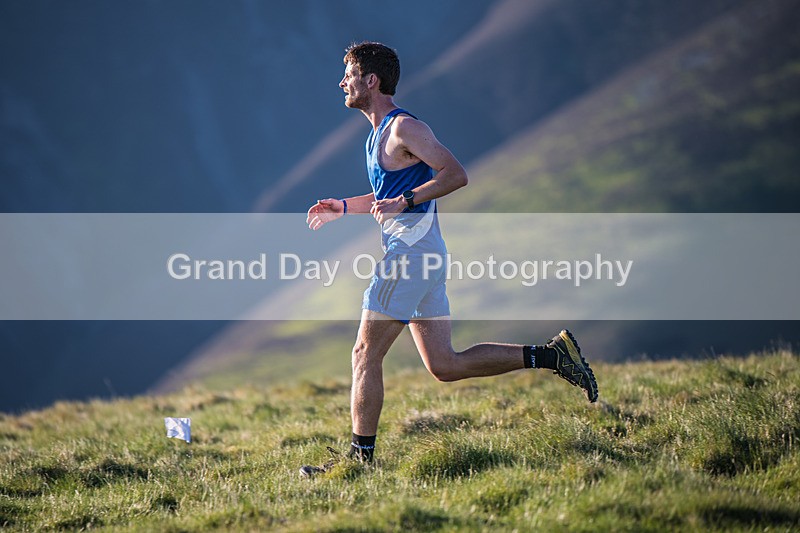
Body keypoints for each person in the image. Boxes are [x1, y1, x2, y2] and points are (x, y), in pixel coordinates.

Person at [301, 42, 597, 476]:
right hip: (425, 258)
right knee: (445, 365)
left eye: (348, 73)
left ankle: (358, 464)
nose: (341, 82)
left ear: (371, 80)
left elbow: (455, 174)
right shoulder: (376, 136)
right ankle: (554, 356)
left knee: (365, 352)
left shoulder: (404, 128)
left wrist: (406, 198)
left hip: (411, 257)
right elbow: (387, 199)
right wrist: (342, 208)